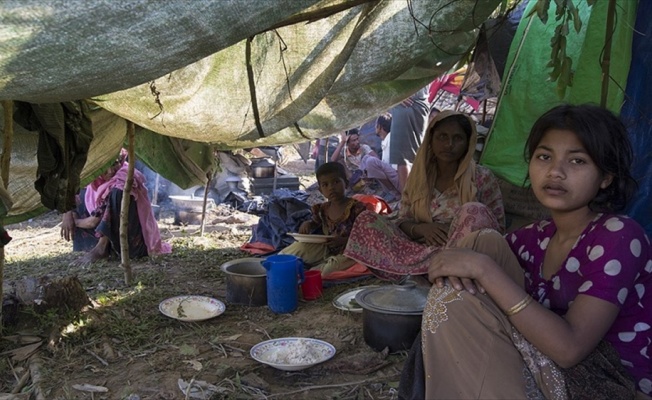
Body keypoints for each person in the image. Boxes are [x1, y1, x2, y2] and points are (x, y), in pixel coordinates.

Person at [419, 104, 651, 399]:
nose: (555, 171)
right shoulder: (535, 237)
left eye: (577, 161)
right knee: (481, 243)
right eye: (544, 157)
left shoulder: (619, 235)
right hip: (551, 361)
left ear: (605, 177)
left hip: (605, 381)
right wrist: (451, 263)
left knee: (475, 273)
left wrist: (483, 270)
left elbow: (570, 350)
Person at [343, 110, 505, 281]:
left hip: (461, 252)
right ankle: (426, 271)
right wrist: (422, 229)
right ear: (431, 140)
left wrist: (459, 229)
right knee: (366, 220)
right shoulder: (419, 177)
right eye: (442, 137)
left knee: (475, 211)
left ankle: (435, 271)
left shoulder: (481, 177)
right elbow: (402, 219)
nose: (449, 144)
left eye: (457, 138)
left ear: (468, 143)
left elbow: (496, 228)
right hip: (418, 250)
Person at [61, 150, 171, 266]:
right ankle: (84, 247)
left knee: (119, 192)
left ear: (122, 160)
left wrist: (75, 222)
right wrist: (67, 214)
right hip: (109, 241)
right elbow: (71, 189)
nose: (110, 172)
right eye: (104, 168)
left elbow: (94, 222)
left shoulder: (125, 176)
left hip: (132, 244)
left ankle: (101, 248)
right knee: (76, 197)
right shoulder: (93, 180)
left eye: (115, 164)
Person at [279, 162, 367, 276]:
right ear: (320, 190)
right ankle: (278, 262)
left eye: (336, 182)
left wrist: (344, 241)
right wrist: (308, 224)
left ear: (346, 183)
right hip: (327, 249)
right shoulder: (322, 209)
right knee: (298, 248)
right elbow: (315, 223)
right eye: (325, 185)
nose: (331, 188)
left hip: (350, 253)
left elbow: (366, 237)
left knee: (328, 270)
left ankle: (311, 273)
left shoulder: (357, 208)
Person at [389, 85, 431, 191]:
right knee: (418, 155)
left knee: (403, 159)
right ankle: (418, 196)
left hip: (407, 104)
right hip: (420, 104)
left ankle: (407, 200)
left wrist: (395, 94)